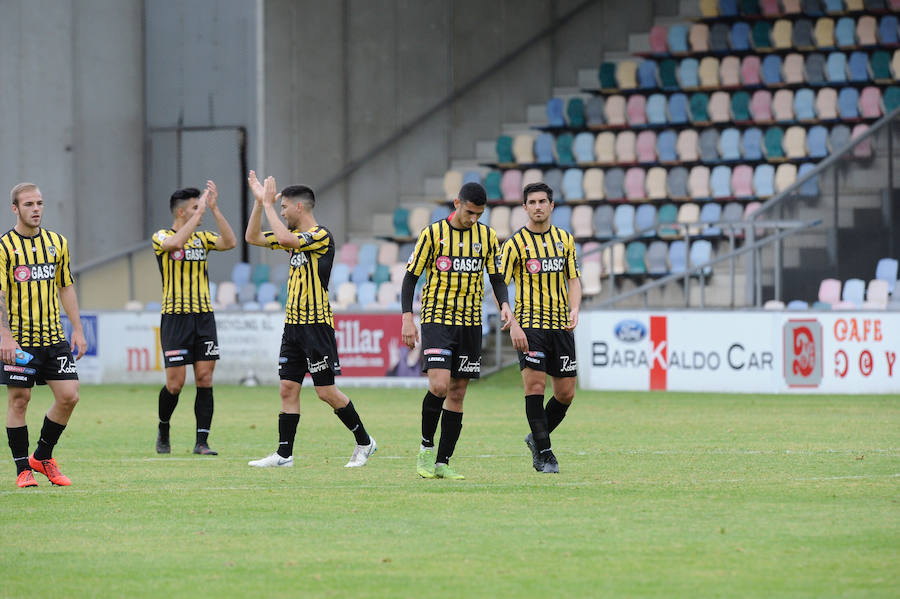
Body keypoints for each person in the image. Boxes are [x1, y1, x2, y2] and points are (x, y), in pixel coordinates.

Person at [244, 172, 376, 468]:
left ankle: (365, 442)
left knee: (325, 391)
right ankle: (284, 455)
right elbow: (251, 237)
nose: (281, 212)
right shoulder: (293, 241)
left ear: (299, 208)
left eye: (283, 208)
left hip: (316, 326)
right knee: (287, 389)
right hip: (293, 326)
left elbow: (285, 237)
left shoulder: (320, 236)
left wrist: (267, 204)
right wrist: (258, 203)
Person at [401, 182, 513, 480]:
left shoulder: (487, 237)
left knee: (458, 391)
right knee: (439, 385)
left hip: (470, 322)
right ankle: (425, 449)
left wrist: (504, 304)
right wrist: (407, 317)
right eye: (469, 212)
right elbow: (410, 278)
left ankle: (443, 462)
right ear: (456, 203)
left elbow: (497, 276)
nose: (473, 218)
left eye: (479, 214)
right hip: (437, 318)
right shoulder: (432, 234)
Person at [2, 183, 88, 488]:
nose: (36, 209)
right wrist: (5, 337)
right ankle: (22, 468)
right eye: (28, 204)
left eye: (39, 203)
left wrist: (77, 329)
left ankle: (43, 456)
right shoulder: (4, 248)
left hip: (54, 338)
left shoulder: (57, 243)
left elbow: (65, 286)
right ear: (15, 209)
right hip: (20, 340)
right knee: (20, 400)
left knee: (69, 396)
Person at [500, 182, 581, 474]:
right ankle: (546, 454)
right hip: (530, 325)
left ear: (551, 205)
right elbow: (501, 286)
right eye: (532, 202)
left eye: (542, 201)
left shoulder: (564, 240)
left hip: (561, 325)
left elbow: (573, 279)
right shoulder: (514, 244)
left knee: (566, 393)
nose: (537, 206)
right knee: (535, 386)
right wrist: (512, 322)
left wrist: (574, 308)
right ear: (524, 208)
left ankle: (535, 437)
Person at [151, 181, 237, 455]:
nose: (199, 213)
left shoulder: (203, 239)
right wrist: (200, 215)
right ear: (181, 212)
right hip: (175, 318)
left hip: (203, 317)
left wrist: (213, 209)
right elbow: (174, 243)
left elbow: (230, 241)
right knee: (175, 383)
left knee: (204, 377)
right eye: (194, 208)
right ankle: (164, 427)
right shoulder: (161, 236)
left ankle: (202, 442)